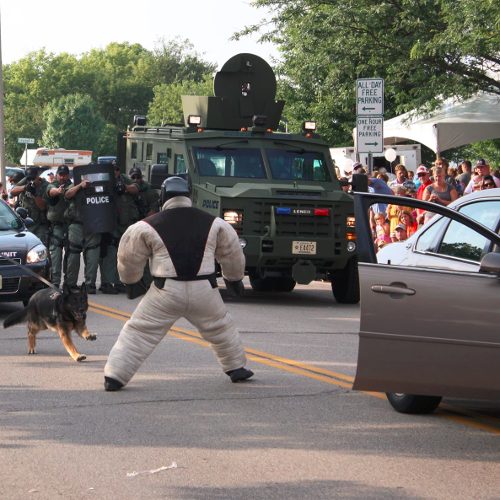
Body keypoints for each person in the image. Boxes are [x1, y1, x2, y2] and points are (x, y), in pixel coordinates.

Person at [103, 176, 254, 391]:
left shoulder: (145, 226)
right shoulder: (216, 223)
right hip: (204, 289)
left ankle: (115, 377)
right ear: (189, 195)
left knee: (139, 332)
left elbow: (129, 257)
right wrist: (234, 279)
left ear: (164, 195)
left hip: (166, 290)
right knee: (221, 327)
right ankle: (236, 368)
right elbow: (232, 253)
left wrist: (131, 282)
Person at [99, 161, 139, 294]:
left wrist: (124, 188)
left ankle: (118, 282)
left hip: (123, 224)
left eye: (117, 169)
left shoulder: (123, 179)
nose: (114, 172)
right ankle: (107, 282)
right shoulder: (102, 178)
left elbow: (136, 187)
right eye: (112, 169)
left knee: (122, 254)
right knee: (110, 252)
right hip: (108, 223)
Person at [64, 177, 102, 294]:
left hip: (94, 224)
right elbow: (67, 195)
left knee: (93, 255)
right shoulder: (76, 185)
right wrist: (80, 186)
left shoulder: (100, 184)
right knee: (73, 254)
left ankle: (90, 284)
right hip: (77, 223)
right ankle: (71, 283)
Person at [45, 165, 71, 289]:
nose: (62, 177)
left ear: (68, 175)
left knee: (71, 255)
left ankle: (68, 282)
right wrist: (59, 191)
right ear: (57, 175)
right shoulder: (52, 185)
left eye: (65, 174)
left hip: (70, 225)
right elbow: (51, 192)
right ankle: (55, 282)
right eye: (60, 174)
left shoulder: (72, 186)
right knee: (55, 256)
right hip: (56, 226)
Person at [10, 167, 49, 244]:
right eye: (29, 178)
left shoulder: (45, 186)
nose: (31, 181)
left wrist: (35, 194)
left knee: (40, 247)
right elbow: (13, 191)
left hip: (40, 223)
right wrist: (25, 187)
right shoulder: (25, 182)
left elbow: (43, 207)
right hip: (26, 222)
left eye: (33, 178)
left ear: (38, 176)